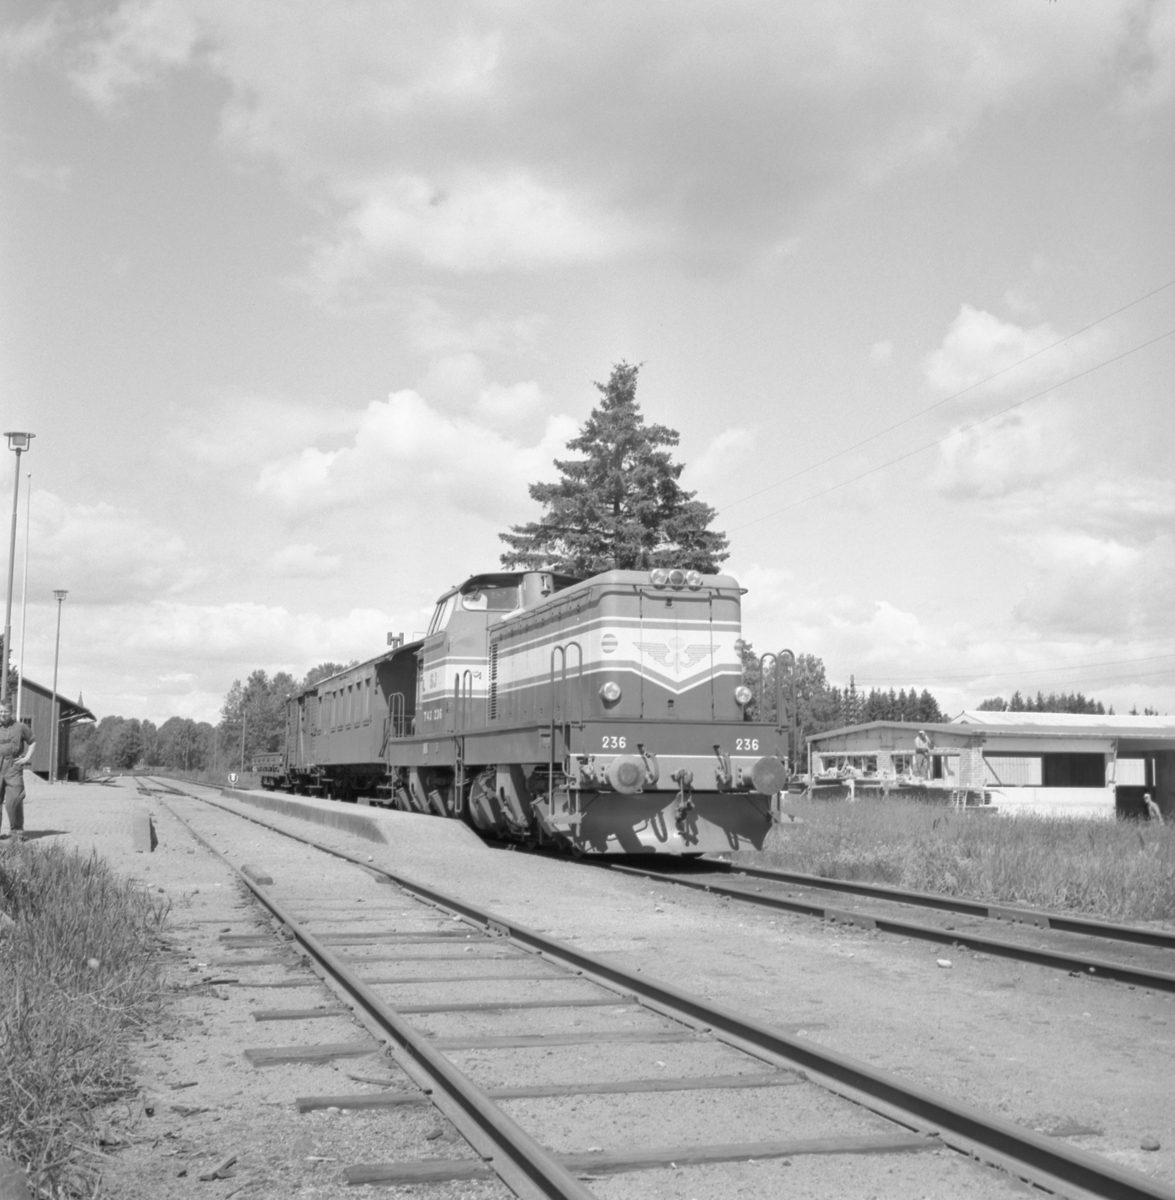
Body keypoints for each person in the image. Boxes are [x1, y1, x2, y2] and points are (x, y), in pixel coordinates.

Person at [0, 702, 36, 843]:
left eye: (5, 711)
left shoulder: (20, 727)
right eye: (0, 712)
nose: (2, 714)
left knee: (14, 799)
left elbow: (32, 741)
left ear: (11, 712)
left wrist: (27, 757)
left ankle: (16, 832)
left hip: (13, 766)